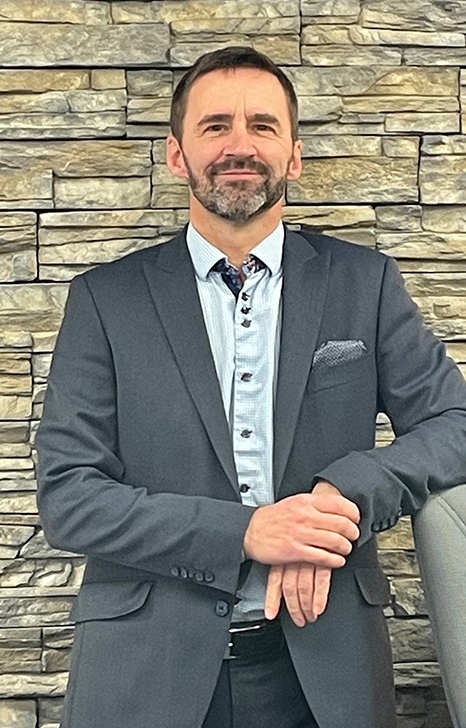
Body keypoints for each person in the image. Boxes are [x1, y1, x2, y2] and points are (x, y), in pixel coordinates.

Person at [35, 46, 466, 728]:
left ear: (294, 156)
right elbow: (69, 497)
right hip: (144, 674)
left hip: (325, 673)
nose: (240, 145)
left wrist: (342, 495)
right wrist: (248, 532)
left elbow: (454, 423)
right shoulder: (104, 301)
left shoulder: (366, 284)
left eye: (263, 126)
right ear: (177, 155)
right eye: (215, 126)